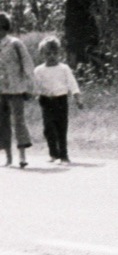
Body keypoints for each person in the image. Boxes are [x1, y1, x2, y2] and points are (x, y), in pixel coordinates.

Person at [32, 34, 81, 165]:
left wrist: (77, 98)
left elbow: (72, 83)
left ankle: (64, 155)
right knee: (48, 128)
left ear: (59, 53)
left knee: (61, 127)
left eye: (54, 53)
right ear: (42, 54)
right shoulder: (39, 70)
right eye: (48, 53)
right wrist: (32, 94)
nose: (51, 56)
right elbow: (35, 86)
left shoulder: (64, 69)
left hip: (61, 100)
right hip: (46, 100)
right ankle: (53, 153)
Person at [0, 12, 37, 168]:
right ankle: (8, 157)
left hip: (16, 88)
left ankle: (22, 156)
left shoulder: (15, 43)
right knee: (2, 123)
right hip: (1, 89)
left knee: (18, 121)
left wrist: (31, 86)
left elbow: (27, 65)